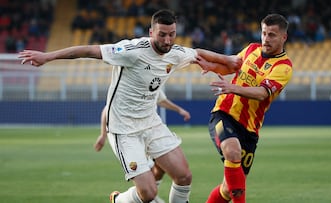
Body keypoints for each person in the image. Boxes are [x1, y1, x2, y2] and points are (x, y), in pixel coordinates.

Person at [19, 9, 203, 203]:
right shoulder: (133, 53)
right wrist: (48, 57)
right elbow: (89, 51)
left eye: (171, 34)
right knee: (149, 193)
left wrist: (231, 61)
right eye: (162, 34)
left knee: (182, 176)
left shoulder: (168, 60)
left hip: (150, 124)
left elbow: (197, 57)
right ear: (151, 32)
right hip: (124, 129)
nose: (167, 40)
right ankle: (119, 200)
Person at [195, 14, 293, 203]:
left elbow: (263, 93)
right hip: (224, 113)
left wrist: (234, 88)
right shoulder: (251, 49)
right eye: (264, 33)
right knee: (232, 152)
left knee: (226, 190)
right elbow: (232, 68)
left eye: (272, 35)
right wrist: (213, 66)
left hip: (249, 129)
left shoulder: (284, 67)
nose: (266, 39)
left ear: (283, 37)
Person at [93, 90, 191, 203]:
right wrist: (103, 135)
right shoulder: (128, 85)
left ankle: (147, 197)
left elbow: (162, 100)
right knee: (148, 183)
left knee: (161, 168)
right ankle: (121, 200)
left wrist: (179, 110)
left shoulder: (152, 80)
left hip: (148, 129)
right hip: (126, 133)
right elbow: (107, 110)